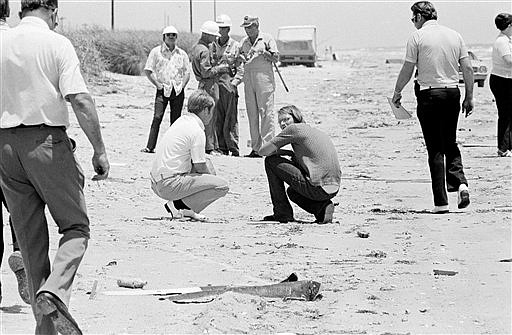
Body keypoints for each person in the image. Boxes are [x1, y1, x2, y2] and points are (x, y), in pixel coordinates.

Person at [0, 0, 110, 333]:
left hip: (5, 146)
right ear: (52, 10)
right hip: (46, 143)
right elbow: (79, 98)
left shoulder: (3, 41)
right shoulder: (56, 43)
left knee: (31, 247)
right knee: (76, 228)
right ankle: (55, 290)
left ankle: (44, 330)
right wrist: (100, 150)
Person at [392, 1, 473, 214]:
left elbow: (408, 68)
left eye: (413, 18)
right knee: (450, 141)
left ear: (419, 16)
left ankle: (441, 202)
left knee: (435, 148)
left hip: (429, 94)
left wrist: (397, 92)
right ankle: (461, 183)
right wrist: (469, 97)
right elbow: (466, 67)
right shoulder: (455, 35)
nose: (413, 22)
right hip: (452, 92)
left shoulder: (417, 37)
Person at [150, 90, 229, 222]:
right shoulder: (196, 130)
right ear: (205, 110)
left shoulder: (181, 121)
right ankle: (179, 207)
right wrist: (211, 181)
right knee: (221, 186)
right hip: (168, 185)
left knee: (207, 163)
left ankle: (183, 207)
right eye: (211, 111)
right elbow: (199, 165)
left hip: (157, 182)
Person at [259, 106, 341, 224]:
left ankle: (282, 213)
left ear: (296, 117)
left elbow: (263, 151)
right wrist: (289, 153)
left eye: (286, 119)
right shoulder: (313, 131)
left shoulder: (294, 129)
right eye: (280, 122)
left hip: (318, 188)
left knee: (270, 161)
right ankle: (322, 208)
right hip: (333, 189)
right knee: (293, 192)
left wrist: (282, 152)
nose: (283, 124)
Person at [0, 0, 29, 307]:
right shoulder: (21, 44)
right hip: (14, 138)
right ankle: (20, 251)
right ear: (7, 11)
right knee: (19, 207)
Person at [141, 25, 190, 154]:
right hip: (163, 89)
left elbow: (187, 72)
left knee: (176, 120)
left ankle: (174, 148)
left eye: (174, 35)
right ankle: (150, 146)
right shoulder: (156, 52)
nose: (171, 37)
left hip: (178, 90)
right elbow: (148, 70)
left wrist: (182, 85)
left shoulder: (182, 54)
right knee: (157, 117)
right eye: (169, 35)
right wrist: (157, 85)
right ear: (164, 37)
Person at [238, 15, 279, 158]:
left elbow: (276, 58)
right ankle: (256, 148)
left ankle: (268, 148)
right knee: (252, 114)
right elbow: (238, 58)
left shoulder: (267, 39)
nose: (248, 30)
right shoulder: (243, 42)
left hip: (264, 78)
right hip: (249, 79)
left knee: (266, 112)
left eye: (250, 27)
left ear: (256, 26)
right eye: (246, 28)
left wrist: (264, 52)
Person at [190, 20, 230, 155]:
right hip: (209, 84)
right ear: (207, 35)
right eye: (213, 36)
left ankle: (210, 146)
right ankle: (210, 147)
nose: (215, 39)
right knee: (210, 116)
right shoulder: (205, 51)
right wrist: (220, 68)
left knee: (204, 115)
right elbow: (206, 71)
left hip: (202, 84)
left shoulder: (196, 48)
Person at [212, 14, 243, 157]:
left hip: (229, 85)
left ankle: (233, 147)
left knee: (231, 118)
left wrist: (235, 83)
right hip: (216, 84)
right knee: (218, 116)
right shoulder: (212, 45)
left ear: (228, 29)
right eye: (218, 27)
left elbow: (241, 67)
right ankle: (222, 147)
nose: (220, 30)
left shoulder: (236, 46)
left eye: (223, 28)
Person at [489, 13, 512, 157]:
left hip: (505, 79)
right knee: (505, 114)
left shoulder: (506, 40)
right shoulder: (502, 41)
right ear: (509, 26)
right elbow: (509, 61)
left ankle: (507, 147)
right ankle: (503, 148)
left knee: (509, 114)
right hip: (502, 80)